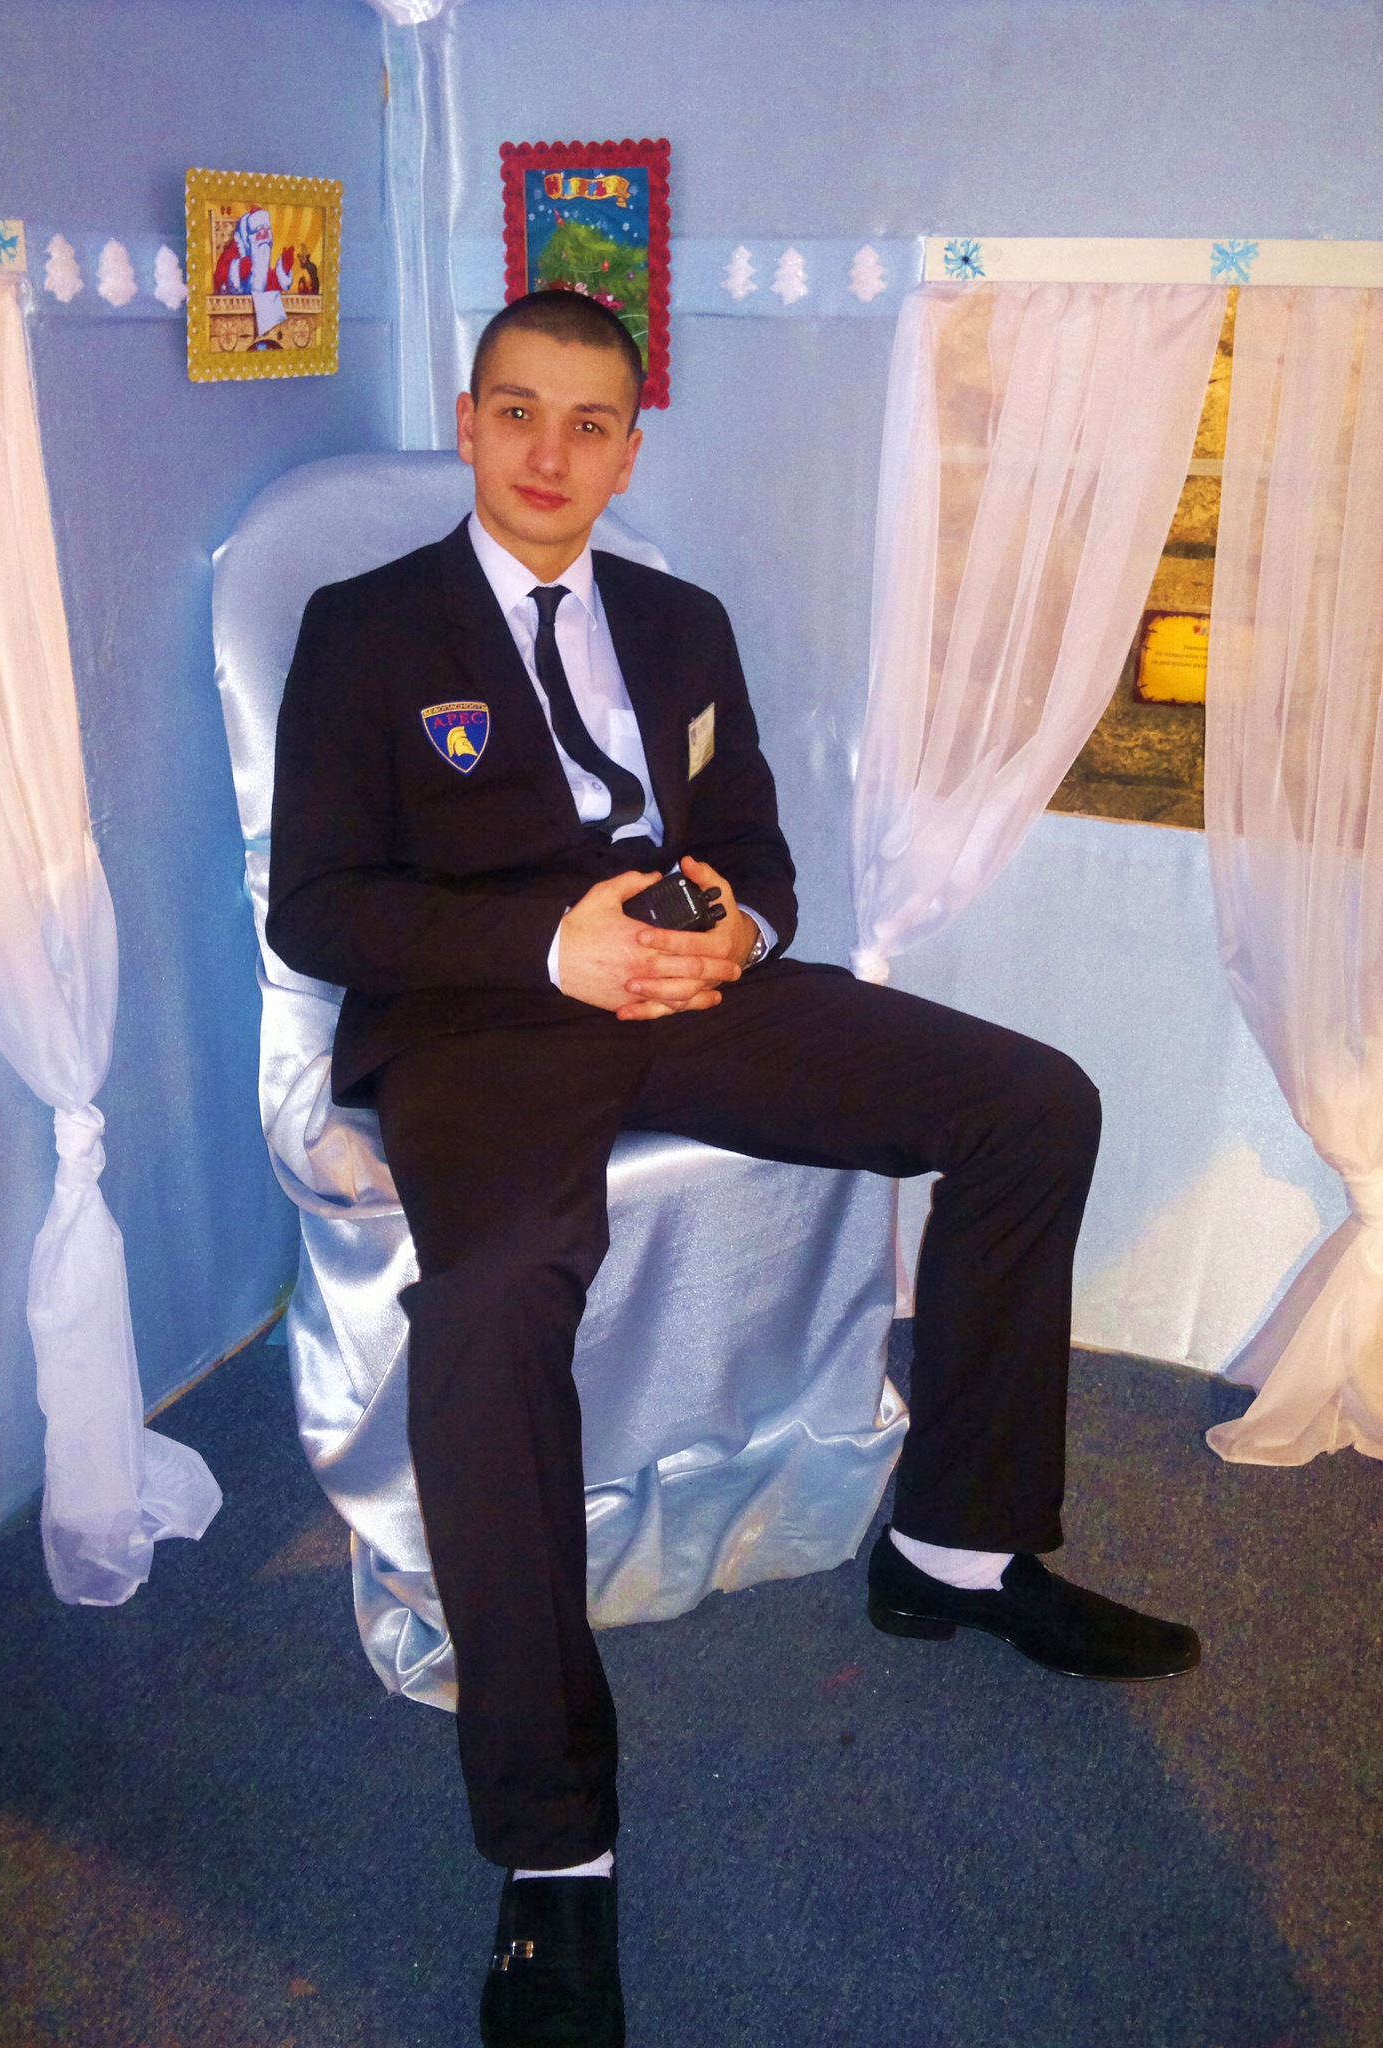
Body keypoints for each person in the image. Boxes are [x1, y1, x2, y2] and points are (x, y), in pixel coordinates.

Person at [267, 291, 1200, 2048]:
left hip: (694, 995)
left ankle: (958, 1548)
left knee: (1033, 1106)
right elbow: (315, 910)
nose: (552, 454)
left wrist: (740, 933)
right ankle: (555, 1845)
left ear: (631, 449)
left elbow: (754, 839)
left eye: (591, 423)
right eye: (519, 412)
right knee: (489, 1306)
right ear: (468, 423)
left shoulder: (682, 621)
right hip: (485, 1024)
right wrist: (551, 944)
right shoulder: (365, 626)